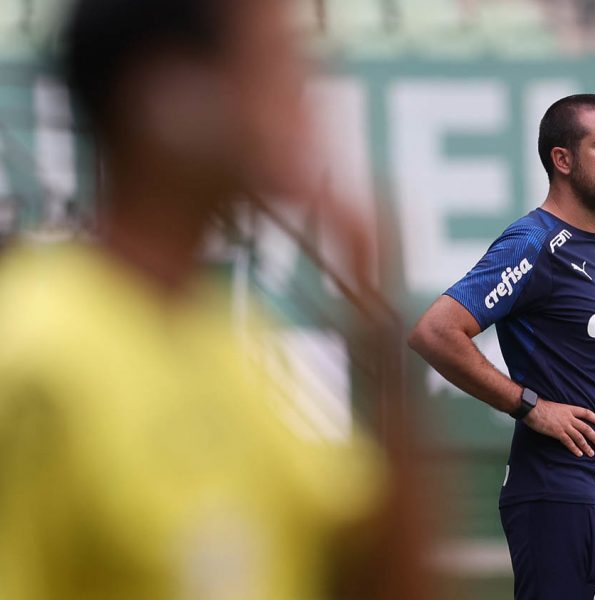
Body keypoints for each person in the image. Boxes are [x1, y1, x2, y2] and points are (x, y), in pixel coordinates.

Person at [0, 0, 424, 598]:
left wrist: (379, 331)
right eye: (272, 62)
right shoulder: (32, 351)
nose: (301, 92)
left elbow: (374, 577)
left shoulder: (236, 346)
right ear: (165, 97)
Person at [409, 94, 595, 600]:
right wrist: (532, 407)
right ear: (562, 160)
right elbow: (435, 332)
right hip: (563, 496)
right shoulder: (534, 242)